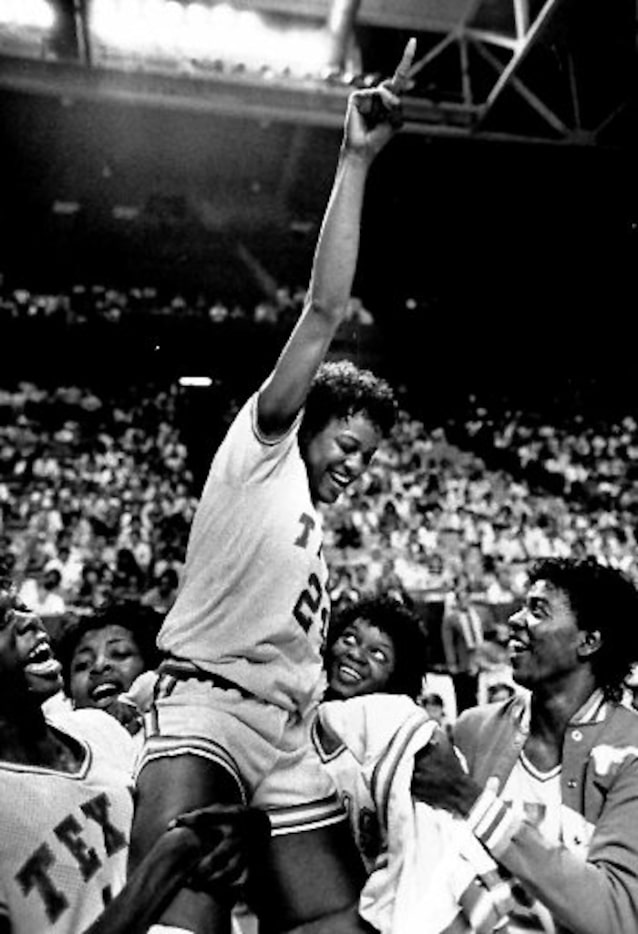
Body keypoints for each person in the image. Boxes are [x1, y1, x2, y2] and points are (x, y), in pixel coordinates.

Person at [129, 40, 416, 934]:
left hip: (289, 737)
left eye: (370, 456)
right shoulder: (264, 451)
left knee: (339, 925)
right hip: (208, 705)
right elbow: (325, 311)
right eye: (349, 440)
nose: (354, 464)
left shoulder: (313, 531)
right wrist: (355, 159)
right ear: (310, 417)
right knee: (183, 929)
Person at [0, 579, 270, 934]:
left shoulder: (101, 729)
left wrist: (245, 826)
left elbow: (195, 819)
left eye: (22, 607)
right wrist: (169, 861)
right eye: (3, 620)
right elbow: (177, 846)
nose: (29, 621)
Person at [411, 556, 638, 934]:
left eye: (538, 610)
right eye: (521, 605)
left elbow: (616, 915)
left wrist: (472, 802)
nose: (515, 620)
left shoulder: (631, 752)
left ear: (589, 641)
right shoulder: (472, 729)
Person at [54, 600, 163, 734]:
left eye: (119, 653)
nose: (99, 666)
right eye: (82, 664)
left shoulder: (181, 729)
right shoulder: (61, 744)